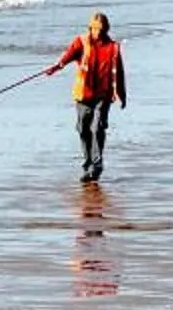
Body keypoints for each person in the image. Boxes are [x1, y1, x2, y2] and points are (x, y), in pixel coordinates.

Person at [45, 11, 128, 183]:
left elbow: (119, 72)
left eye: (103, 29)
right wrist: (55, 67)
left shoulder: (113, 48)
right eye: (96, 29)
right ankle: (88, 164)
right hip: (83, 94)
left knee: (97, 127)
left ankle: (97, 166)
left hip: (103, 96)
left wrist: (122, 94)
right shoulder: (81, 42)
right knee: (83, 129)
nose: (99, 33)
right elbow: (66, 57)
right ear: (90, 27)